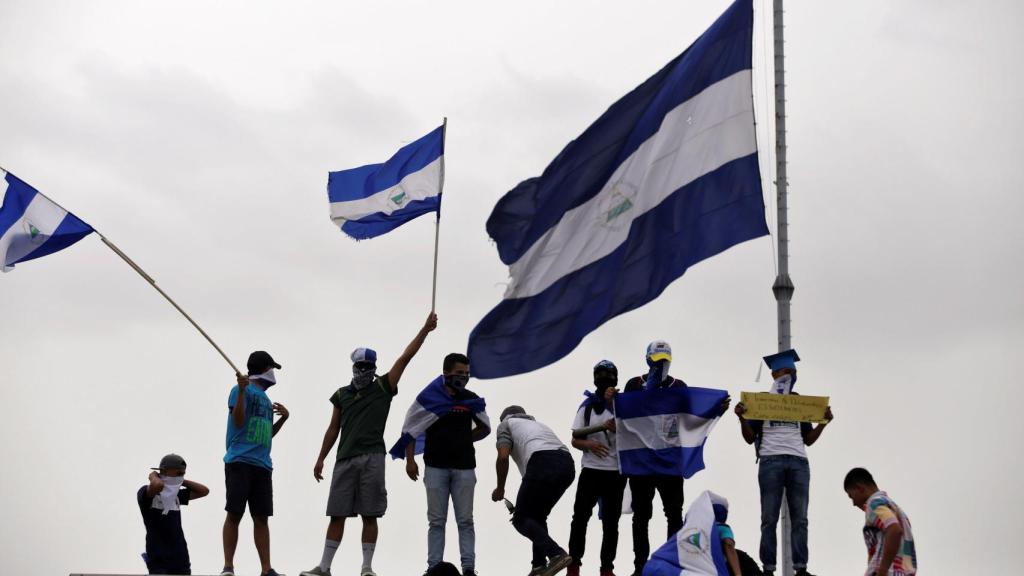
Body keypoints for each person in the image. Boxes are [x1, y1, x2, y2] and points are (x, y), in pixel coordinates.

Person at [301, 312, 437, 576]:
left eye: (368, 366)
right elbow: (333, 429)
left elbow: (404, 358)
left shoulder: (383, 387)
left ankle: (367, 568)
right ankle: (325, 567)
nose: (364, 370)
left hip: (373, 456)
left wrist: (424, 330)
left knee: (370, 514)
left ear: (374, 367)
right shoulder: (342, 394)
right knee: (337, 514)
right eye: (360, 366)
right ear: (353, 367)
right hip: (344, 457)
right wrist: (321, 457)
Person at [623, 340, 731, 576]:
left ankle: (672, 564)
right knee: (642, 515)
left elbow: (690, 418)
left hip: (669, 460)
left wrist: (714, 409)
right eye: (656, 360)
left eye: (665, 360)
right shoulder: (633, 384)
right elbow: (625, 416)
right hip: (642, 460)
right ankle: (640, 566)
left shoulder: (679, 386)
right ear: (647, 359)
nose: (661, 364)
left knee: (673, 512)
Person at [734, 349, 832, 576]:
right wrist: (741, 418)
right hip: (770, 460)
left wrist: (823, 424)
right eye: (786, 371)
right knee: (769, 517)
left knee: (801, 518)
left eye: (793, 372)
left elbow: (808, 439)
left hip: (798, 460)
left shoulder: (800, 403)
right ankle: (768, 569)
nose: (791, 376)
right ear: (774, 375)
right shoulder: (761, 402)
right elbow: (750, 438)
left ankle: (801, 568)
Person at [403, 353, 490, 576]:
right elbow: (410, 428)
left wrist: (464, 438)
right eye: (459, 373)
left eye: (467, 374)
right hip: (435, 466)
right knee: (436, 521)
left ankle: (468, 568)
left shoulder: (471, 398)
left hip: (464, 467)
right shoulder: (430, 397)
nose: (463, 377)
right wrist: (410, 460)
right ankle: (434, 568)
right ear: (446, 373)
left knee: (465, 521)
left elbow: (485, 427)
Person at [222, 351, 289, 576]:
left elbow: (265, 434)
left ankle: (266, 569)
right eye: (272, 368)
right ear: (264, 368)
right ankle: (228, 566)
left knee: (261, 517)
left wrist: (283, 419)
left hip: (262, 465)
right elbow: (238, 420)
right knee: (234, 514)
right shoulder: (241, 390)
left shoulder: (266, 399)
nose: (274, 374)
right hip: (239, 461)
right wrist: (241, 391)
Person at [491, 405, 575, 576]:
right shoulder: (538, 425)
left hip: (542, 461)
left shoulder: (506, 424)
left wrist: (500, 488)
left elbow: (503, 456)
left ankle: (556, 553)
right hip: (567, 465)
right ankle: (538, 566)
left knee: (520, 519)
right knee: (537, 517)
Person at [567, 360, 626, 576]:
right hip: (591, 469)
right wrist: (590, 443)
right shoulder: (588, 405)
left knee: (611, 523)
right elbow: (575, 437)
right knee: (580, 517)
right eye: (601, 374)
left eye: (609, 375)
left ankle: (607, 567)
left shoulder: (624, 404)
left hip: (616, 471)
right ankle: (573, 564)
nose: (605, 379)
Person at [138, 454, 209, 575]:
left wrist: (181, 481)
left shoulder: (176, 496)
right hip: (158, 556)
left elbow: (204, 491)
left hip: (180, 556)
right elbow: (157, 485)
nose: (181, 476)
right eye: (178, 473)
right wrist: (154, 476)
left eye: (183, 474)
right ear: (163, 471)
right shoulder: (146, 493)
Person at [843, 468, 917, 576]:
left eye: (851, 496)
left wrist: (882, 571)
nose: (853, 503)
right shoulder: (896, 510)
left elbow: (894, 529)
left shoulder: (873, 504)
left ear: (860, 488)